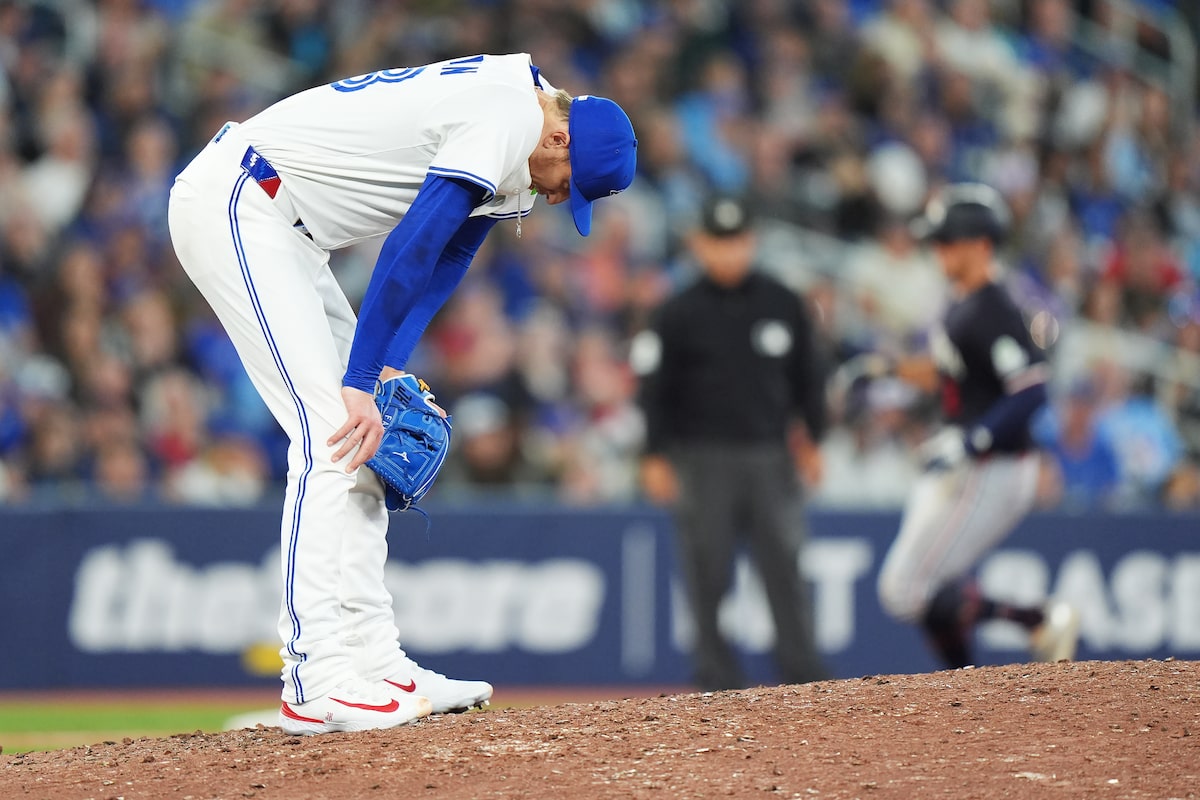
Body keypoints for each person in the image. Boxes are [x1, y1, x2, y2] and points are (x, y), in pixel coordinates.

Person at [167, 53, 636, 735]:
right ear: (560, 139)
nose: (564, 198)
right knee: (331, 433)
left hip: (290, 233)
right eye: (570, 184)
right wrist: (358, 380)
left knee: (367, 437)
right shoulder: (507, 116)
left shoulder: (522, 131)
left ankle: (373, 659)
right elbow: (410, 245)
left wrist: (384, 365)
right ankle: (313, 674)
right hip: (242, 199)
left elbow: (449, 257)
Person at [870, 183, 1080, 670]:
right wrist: (890, 371)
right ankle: (963, 683)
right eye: (937, 240)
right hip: (966, 460)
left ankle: (1038, 620)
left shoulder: (994, 306)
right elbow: (952, 369)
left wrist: (971, 442)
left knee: (903, 590)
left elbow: (1031, 388)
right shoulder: (963, 302)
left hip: (993, 465)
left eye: (949, 240)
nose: (938, 249)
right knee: (926, 587)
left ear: (982, 243)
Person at [631, 194, 829, 691]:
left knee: (784, 565)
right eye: (717, 243)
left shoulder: (783, 303)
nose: (727, 253)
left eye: (736, 241)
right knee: (707, 569)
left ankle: (802, 670)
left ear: (752, 241)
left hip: (770, 454)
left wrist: (815, 437)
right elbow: (655, 390)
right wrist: (655, 453)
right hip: (702, 458)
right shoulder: (676, 312)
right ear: (699, 245)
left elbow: (810, 379)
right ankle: (715, 673)